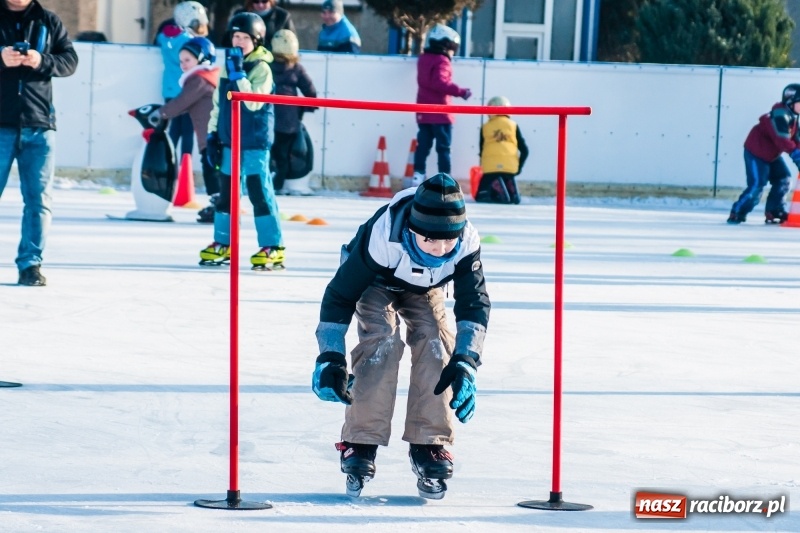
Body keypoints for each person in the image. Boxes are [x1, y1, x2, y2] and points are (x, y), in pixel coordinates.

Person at [312, 173, 490, 496]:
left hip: (425, 288)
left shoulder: (465, 243)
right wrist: (330, 356)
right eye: (430, 241)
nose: (440, 250)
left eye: (448, 242)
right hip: (375, 281)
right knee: (382, 340)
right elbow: (339, 296)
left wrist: (466, 361)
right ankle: (360, 440)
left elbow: (474, 305)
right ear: (412, 229)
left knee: (438, 339)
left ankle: (430, 442)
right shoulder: (383, 236)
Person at [0, 0, 78, 286]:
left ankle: (30, 264)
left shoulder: (49, 21)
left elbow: (70, 61)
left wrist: (41, 60)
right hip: (1, 125)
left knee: (39, 201)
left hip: (40, 126)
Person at [199, 12, 285, 271]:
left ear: (257, 41)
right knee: (226, 196)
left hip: (254, 143)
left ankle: (273, 246)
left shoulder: (262, 69)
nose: (238, 41)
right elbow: (218, 104)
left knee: (259, 192)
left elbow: (253, 102)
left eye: (245, 37)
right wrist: (213, 134)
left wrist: (239, 75)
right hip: (229, 142)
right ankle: (224, 243)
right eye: (235, 36)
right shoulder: (228, 66)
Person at [150, 37, 221, 224]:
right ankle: (222, 203)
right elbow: (183, 106)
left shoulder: (200, 79)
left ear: (202, 59)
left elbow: (182, 101)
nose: (183, 65)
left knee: (211, 170)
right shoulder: (210, 76)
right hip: (216, 135)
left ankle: (220, 204)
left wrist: (160, 113)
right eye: (181, 61)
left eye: (187, 60)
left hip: (212, 137)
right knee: (216, 169)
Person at [407, 24, 471, 189]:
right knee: (443, 148)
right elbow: (440, 83)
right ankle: (445, 178)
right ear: (445, 45)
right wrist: (461, 92)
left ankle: (418, 174)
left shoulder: (423, 59)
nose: (452, 52)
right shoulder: (442, 61)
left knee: (423, 146)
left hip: (423, 112)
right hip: (441, 112)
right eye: (452, 48)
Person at [728, 83, 800, 225]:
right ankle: (737, 211)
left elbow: (796, 139)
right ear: (791, 102)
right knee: (757, 184)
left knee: (783, 179)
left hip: (772, 155)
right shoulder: (780, 115)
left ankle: (774, 210)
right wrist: (796, 155)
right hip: (756, 153)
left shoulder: (793, 117)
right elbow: (782, 140)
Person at [155, 1, 209, 163]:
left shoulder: (163, 38)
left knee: (174, 130)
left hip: (169, 90)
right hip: (186, 91)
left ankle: (169, 163)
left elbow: (161, 39)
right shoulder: (190, 41)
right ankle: (185, 165)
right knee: (187, 131)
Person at [269, 29, 317, 195]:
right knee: (282, 156)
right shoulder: (296, 69)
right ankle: (277, 185)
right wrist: (303, 110)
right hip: (288, 124)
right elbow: (311, 92)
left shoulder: (266, 66)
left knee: (270, 153)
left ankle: (271, 183)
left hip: (268, 119)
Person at [476, 96, 529, 204]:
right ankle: (509, 188)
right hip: (510, 167)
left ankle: (496, 186)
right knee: (507, 175)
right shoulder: (513, 125)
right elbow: (525, 150)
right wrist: (518, 168)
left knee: (480, 196)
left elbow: (482, 150)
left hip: (490, 168)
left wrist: (483, 164)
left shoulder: (485, 127)